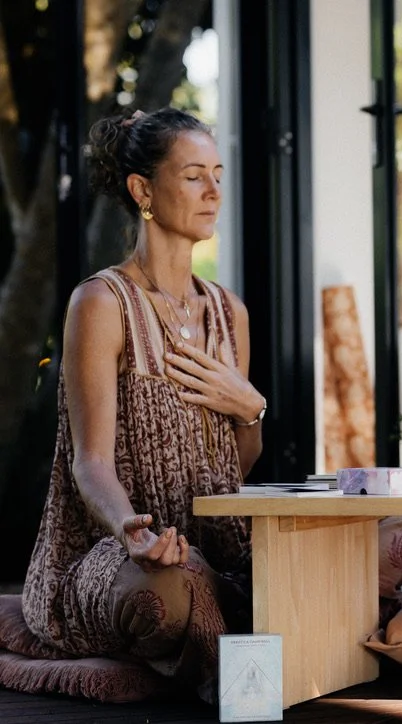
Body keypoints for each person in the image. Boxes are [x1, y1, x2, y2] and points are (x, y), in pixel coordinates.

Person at [21, 107, 266, 701]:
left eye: (218, 175)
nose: (214, 192)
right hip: (117, 550)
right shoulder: (101, 303)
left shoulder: (229, 313)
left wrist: (250, 408)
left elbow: (236, 467)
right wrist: (131, 531)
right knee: (164, 597)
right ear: (143, 190)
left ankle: (218, 607)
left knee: (384, 544)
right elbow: (90, 463)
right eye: (194, 176)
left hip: (219, 544)